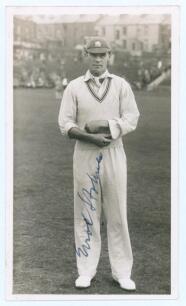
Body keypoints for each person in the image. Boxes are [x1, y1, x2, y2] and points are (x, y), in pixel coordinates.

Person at [58, 37, 140, 290]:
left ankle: (122, 271)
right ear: (85, 56)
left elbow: (132, 118)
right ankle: (86, 270)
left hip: (114, 153)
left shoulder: (120, 85)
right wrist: (89, 136)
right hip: (84, 153)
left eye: (102, 55)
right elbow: (65, 124)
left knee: (117, 213)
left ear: (109, 57)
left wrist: (105, 126)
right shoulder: (74, 87)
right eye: (93, 54)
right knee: (86, 213)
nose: (97, 59)